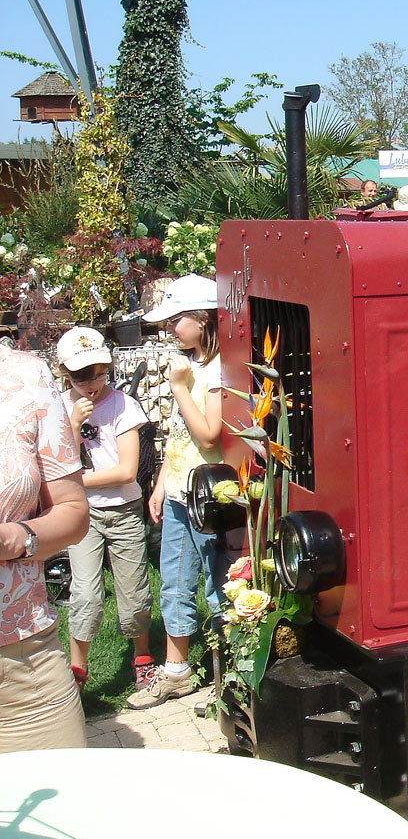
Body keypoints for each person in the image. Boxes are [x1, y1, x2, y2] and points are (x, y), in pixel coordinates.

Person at [126, 273, 224, 709]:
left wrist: (181, 387)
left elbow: (208, 436)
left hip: (210, 499)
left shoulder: (219, 370)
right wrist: (163, 481)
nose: (168, 328)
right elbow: (181, 434)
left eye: (175, 319)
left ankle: (229, 676)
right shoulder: (191, 364)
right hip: (181, 491)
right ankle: (177, 671)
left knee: (219, 588)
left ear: (202, 318)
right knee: (175, 582)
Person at [0, 339, 90, 751]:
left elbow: (73, 512)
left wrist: (20, 538)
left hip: (23, 663)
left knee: (67, 804)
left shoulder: (26, 377)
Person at [56, 326, 154, 691]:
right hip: (82, 515)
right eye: (82, 377)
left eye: (99, 373)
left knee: (134, 592)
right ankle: (77, 670)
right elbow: (53, 461)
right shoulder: (60, 407)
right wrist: (72, 424)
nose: (91, 383)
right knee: (86, 594)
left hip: (124, 509)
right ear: (66, 374)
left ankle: (142, 656)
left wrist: (75, 482)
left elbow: (127, 471)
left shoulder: (123, 405)